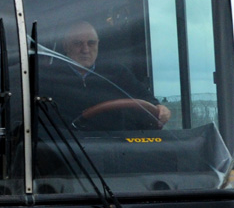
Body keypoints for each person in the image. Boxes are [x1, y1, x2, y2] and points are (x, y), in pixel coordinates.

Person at [39, 21, 172, 129]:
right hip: (67, 152)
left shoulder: (117, 73)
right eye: (78, 43)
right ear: (66, 46)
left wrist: (160, 109)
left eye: (91, 43)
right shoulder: (49, 78)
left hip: (115, 148)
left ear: (98, 44)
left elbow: (145, 99)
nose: (85, 49)